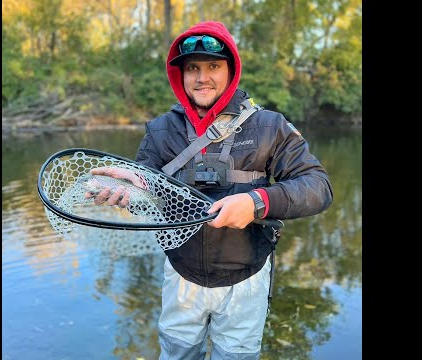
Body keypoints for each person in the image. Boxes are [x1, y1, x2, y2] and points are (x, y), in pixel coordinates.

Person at [86, 21, 333, 360]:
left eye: (213, 66)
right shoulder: (160, 131)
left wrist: (257, 202)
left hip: (246, 279)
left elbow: (318, 186)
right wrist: (131, 190)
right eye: (192, 69)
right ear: (180, 76)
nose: (202, 78)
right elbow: (148, 196)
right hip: (181, 276)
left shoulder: (269, 126)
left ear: (231, 71)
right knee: (178, 354)